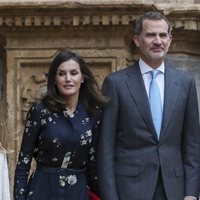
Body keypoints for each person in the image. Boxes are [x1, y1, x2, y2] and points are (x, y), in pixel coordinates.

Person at [98, 11, 200, 200]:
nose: (158, 40)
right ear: (137, 40)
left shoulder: (185, 83)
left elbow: (192, 144)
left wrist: (191, 193)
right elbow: (105, 147)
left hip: (174, 190)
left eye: (163, 35)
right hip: (129, 190)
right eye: (151, 35)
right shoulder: (116, 84)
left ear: (170, 40)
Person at [14, 48, 107, 200]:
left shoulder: (93, 113)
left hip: (77, 191)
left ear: (82, 77)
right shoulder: (40, 111)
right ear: (54, 80)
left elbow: (92, 163)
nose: (68, 79)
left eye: (74, 73)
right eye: (61, 74)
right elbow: (23, 162)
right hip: (42, 189)